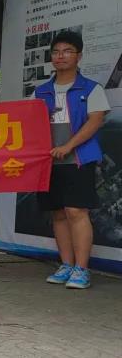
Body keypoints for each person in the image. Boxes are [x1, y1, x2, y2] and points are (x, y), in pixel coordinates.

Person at [36, 30, 108, 290]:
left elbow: (95, 121)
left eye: (67, 51)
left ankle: (81, 269)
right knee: (58, 213)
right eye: (56, 52)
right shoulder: (41, 92)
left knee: (76, 211)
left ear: (79, 56)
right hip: (48, 162)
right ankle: (66, 264)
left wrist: (68, 146)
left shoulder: (91, 89)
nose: (61, 56)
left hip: (78, 159)